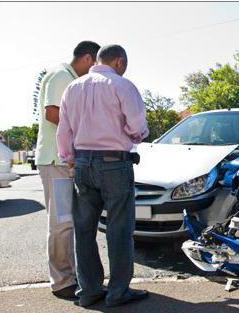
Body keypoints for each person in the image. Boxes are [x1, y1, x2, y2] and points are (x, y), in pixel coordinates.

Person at [57, 44, 149, 307]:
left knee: (84, 231)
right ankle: (118, 292)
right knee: (119, 229)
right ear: (119, 62)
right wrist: (137, 134)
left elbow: (64, 131)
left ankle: (89, 291)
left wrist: (71, 159)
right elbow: (137, 128)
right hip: (114, 164)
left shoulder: (73, 87)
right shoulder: (122, 85)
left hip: (83, 163)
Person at [35, 41, 100, 300]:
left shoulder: (72, 78)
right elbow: (52, 113)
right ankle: (62, 282)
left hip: (66, 162)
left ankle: (72, 277)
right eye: (96, 64)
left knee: (69, 223)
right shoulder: (62, 75)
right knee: (61, 223)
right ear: (87, 58)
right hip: (55, 162)